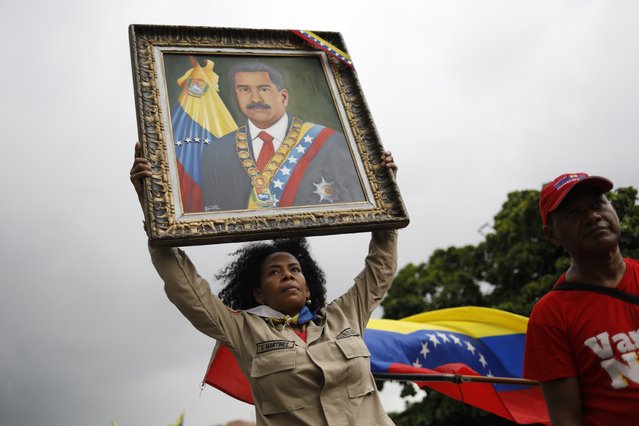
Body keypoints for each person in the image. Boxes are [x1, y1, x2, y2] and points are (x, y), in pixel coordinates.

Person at [130, 143, 398, 425]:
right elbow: (184, 285)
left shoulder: (344, 315)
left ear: (308, 287)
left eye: (294, 269)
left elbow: (381, 266)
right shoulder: (244, 330)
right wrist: (154, 209)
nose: (287, 275)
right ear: (258, 292)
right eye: (274, 272)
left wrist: (385, 191)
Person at [524, 172, 639, 425]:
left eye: (598, 204)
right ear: (552, 235)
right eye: (573, 214)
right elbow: (566, 418)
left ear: (613, 209)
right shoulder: (550, 316)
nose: (592, 217)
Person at [200, 61, 366, 211]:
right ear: (237, 96)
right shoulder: (215, 153)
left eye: (264, 89)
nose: (255, 98)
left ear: (283, 97)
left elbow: (356, 206)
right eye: (244, 90)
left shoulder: (331, 143)